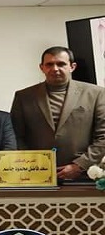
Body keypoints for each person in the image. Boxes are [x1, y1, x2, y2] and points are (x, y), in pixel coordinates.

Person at [10, 46, 105, 180]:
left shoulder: (96, 94)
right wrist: (33, 163)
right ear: (41, 67)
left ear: (72, 66)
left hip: (83, 174)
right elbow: (16, 135)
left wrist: (80, 165)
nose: (55, 68)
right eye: (49, 64)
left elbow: (103, 136)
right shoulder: (24, 96)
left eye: (61, 64)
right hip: (36, 173)